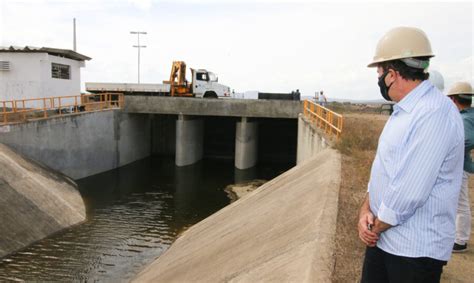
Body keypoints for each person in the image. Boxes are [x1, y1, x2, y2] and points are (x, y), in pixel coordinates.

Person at [358, 26, 464, 282]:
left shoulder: (434, 113)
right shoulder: (404, 111)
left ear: (393, 75)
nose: (380, 79)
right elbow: (383, 168)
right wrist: (365, 210)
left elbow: (411, 189)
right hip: (384, 240)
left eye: (380, 72)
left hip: (414, 251)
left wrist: (374, 226)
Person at [446, 82, 474, 253]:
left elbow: (467, 140)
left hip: (460, 166)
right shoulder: (468, 115)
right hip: (462, 165)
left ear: (454, 99)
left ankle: (460, 241)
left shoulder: (465, 119)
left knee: (460, 203)